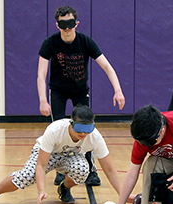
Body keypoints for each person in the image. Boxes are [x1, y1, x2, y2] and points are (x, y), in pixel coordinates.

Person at [0, 105, 134, 204]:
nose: (84, 134)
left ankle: (64, 189)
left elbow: (110, 169)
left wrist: (123, 195)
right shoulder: (55, 130)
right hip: (47, 154)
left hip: (71, 156)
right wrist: (41, 189)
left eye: (88, 129)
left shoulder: (95, 137)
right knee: (27, 176)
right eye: (79, 129)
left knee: (83, 170)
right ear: (71, 124)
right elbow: (41, 165)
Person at [37, 5, 125, 187]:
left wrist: (118, 90)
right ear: (57, 25)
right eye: (63, 25)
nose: (67, 28)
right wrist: (43, 100)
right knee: (56, 128)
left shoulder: (85, 42)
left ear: (76, 23)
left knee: (86, 128)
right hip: (58, 90)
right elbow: (41, 73)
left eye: (70, 24)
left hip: (79, 89)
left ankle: (91, 170)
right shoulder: (50, 43)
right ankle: (61, 173)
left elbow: (107, 67)